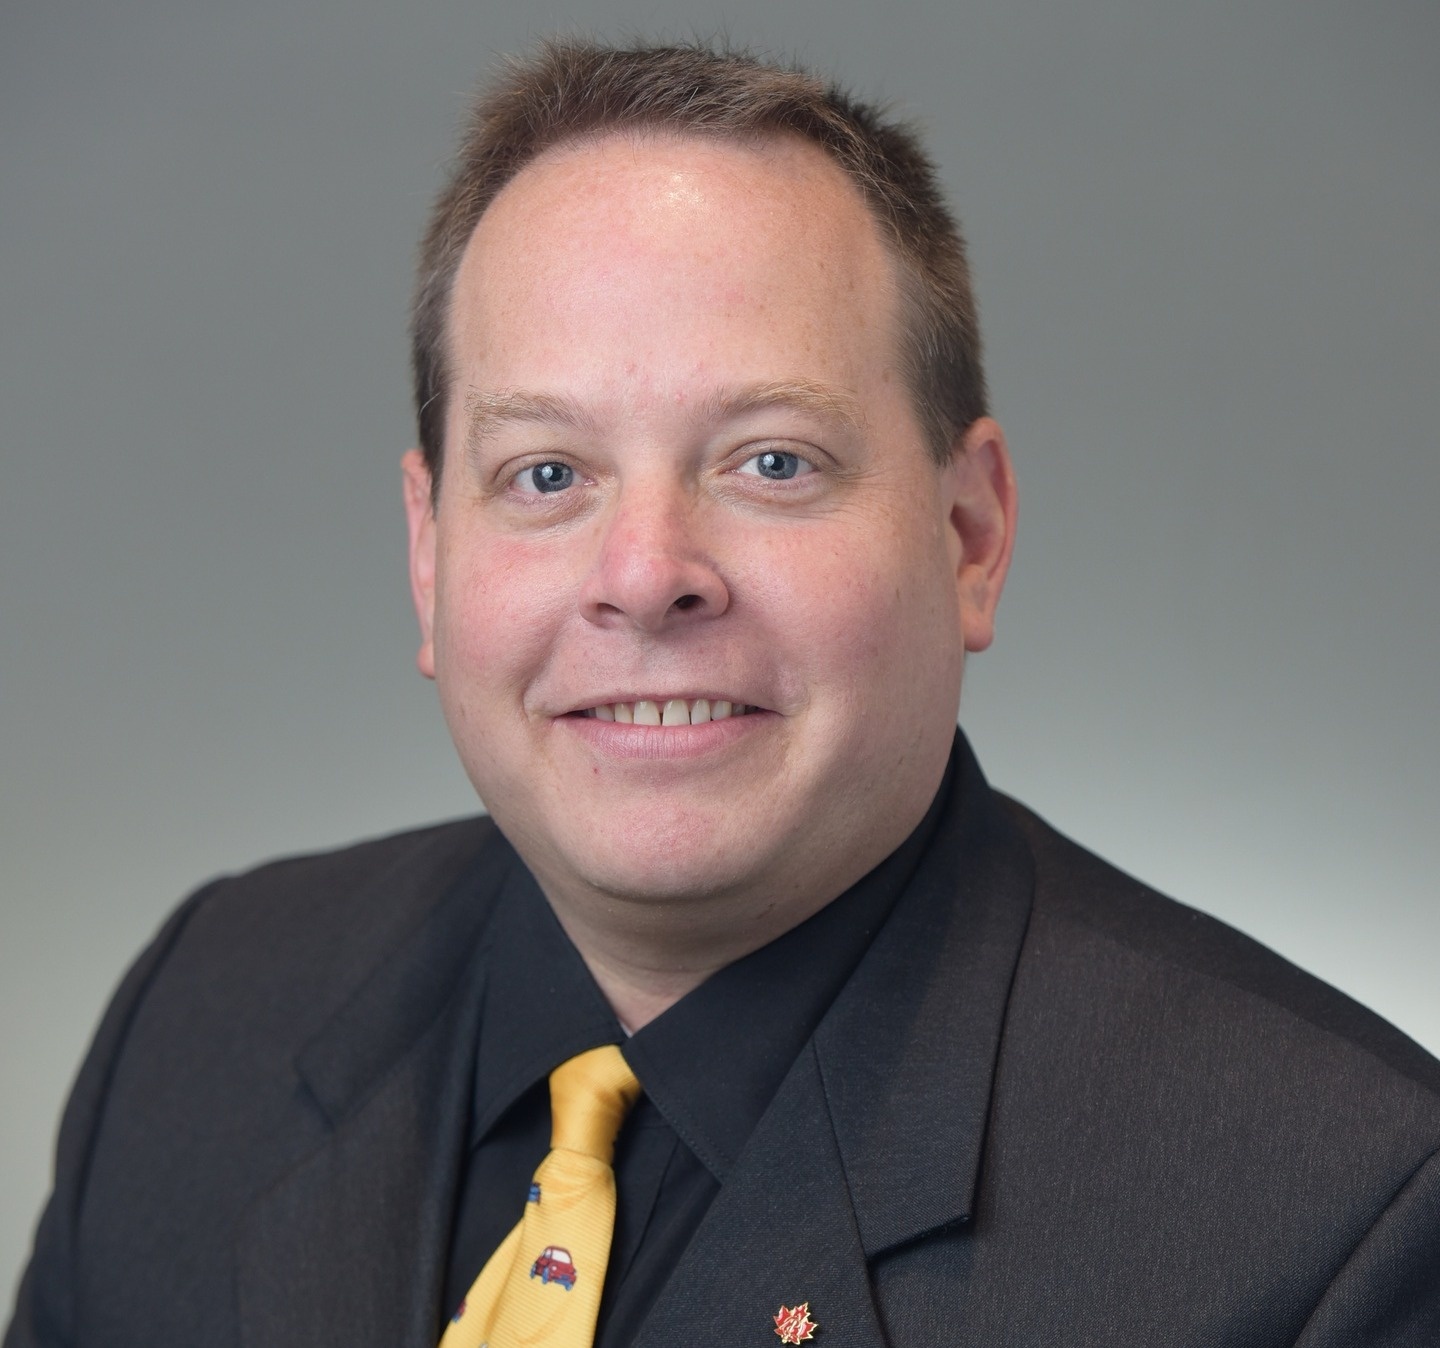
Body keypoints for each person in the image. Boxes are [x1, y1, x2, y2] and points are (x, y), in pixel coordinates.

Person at [7, 38, 1439, 1348]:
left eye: (772, 461)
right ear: (430, 556)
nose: (646, 577)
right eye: (546, 473)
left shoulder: (1333, 1223)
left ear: (970, 536)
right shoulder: (201, 1015)